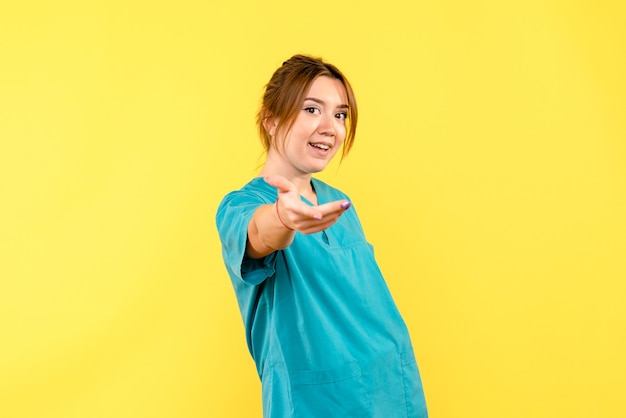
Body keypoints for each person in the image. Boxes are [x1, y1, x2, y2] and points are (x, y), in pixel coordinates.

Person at [216, 54, 428, 417]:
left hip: (392, 388)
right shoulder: (241, 206)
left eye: (340, 114)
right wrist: (284, 216)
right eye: (312, 110)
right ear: (271, 120)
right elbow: (260, 233)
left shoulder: (340, 204)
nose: (330, 126)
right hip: (315, 402)